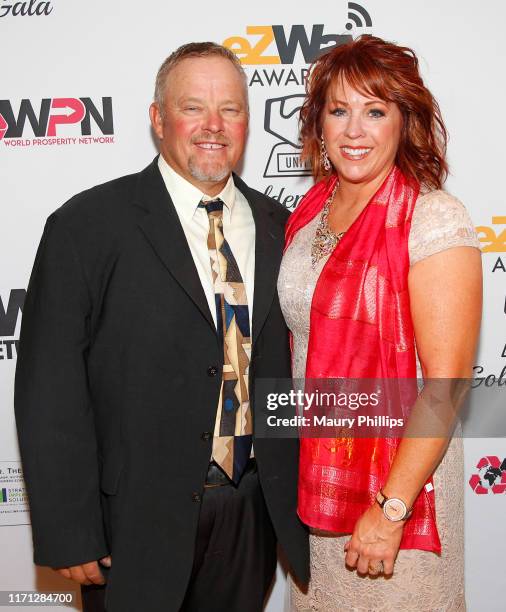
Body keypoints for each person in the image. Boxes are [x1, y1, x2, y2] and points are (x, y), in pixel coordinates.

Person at [15, 42, 309, 612]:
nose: (213, 126)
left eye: (230, 109)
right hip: (132, 519)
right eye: (193, 107)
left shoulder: (282, 227)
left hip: (251, 512)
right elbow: (49, 388)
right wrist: (70, 528)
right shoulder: (87, 225)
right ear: (157, 119)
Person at [278, 35, 482, 610]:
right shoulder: (310, 211)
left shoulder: (432, 217)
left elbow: (444, 383)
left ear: (404, 121)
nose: (354, 131)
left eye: (375, 111)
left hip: (400, 494)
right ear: (318, 123)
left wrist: (391, 508)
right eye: (338, 111)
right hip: (319, 487)